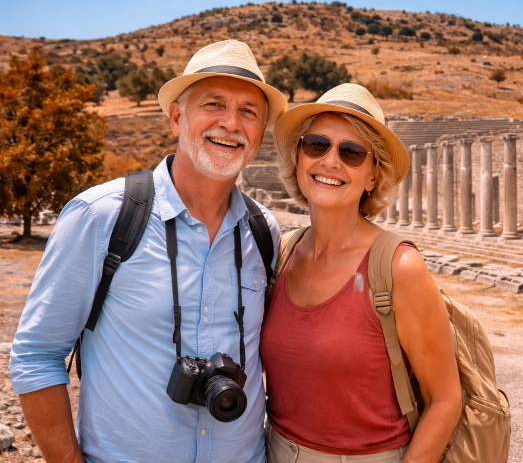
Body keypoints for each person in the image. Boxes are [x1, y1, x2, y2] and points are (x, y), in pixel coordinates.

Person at [10, 39, 287, 463]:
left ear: (260, 133)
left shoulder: (263, 230)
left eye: (249, 111)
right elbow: (36, 355)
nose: (231, 123)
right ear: (178, 117)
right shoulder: (101, 217)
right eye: (213, 104)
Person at [261, 84, 462, 462]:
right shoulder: (282, 253)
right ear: (299, 158)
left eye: (351, 152)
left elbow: (445, 400)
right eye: (317, 145)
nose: (330, 161)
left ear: (372, 176)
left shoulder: (398, 267)